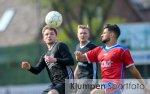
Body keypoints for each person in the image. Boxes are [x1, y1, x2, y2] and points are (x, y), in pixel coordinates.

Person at [74, 24, 150, 94]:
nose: (101, 35)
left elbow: (133, 69)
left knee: (95, 92)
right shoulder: (99, 50)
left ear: (111, 35)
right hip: (105, 85)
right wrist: (78, 56)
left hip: (116, 85)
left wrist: (144, 85)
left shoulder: (122, 50)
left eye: (104, 33)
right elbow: (81, 58)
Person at [21, 25, 74, 94]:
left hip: (67, 82)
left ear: (56, 36)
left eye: (52, 34)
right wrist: (29, 67)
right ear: (43, 38)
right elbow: (37, 70)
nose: (49, 36)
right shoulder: (45, 56)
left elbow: (71, 61)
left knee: (52, 93)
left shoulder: (60, 46)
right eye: (46, 34)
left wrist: (55, 60)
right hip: (55, 84)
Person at [74, 25, 98, 94]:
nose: (82, 35)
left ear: (88, 35)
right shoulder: (77, 46)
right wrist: (74, 76)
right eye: (81, 33)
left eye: (85, 33)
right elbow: (79, 64)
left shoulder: (93, 47)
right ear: (77, 35)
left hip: (90, 78)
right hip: (80, 78)